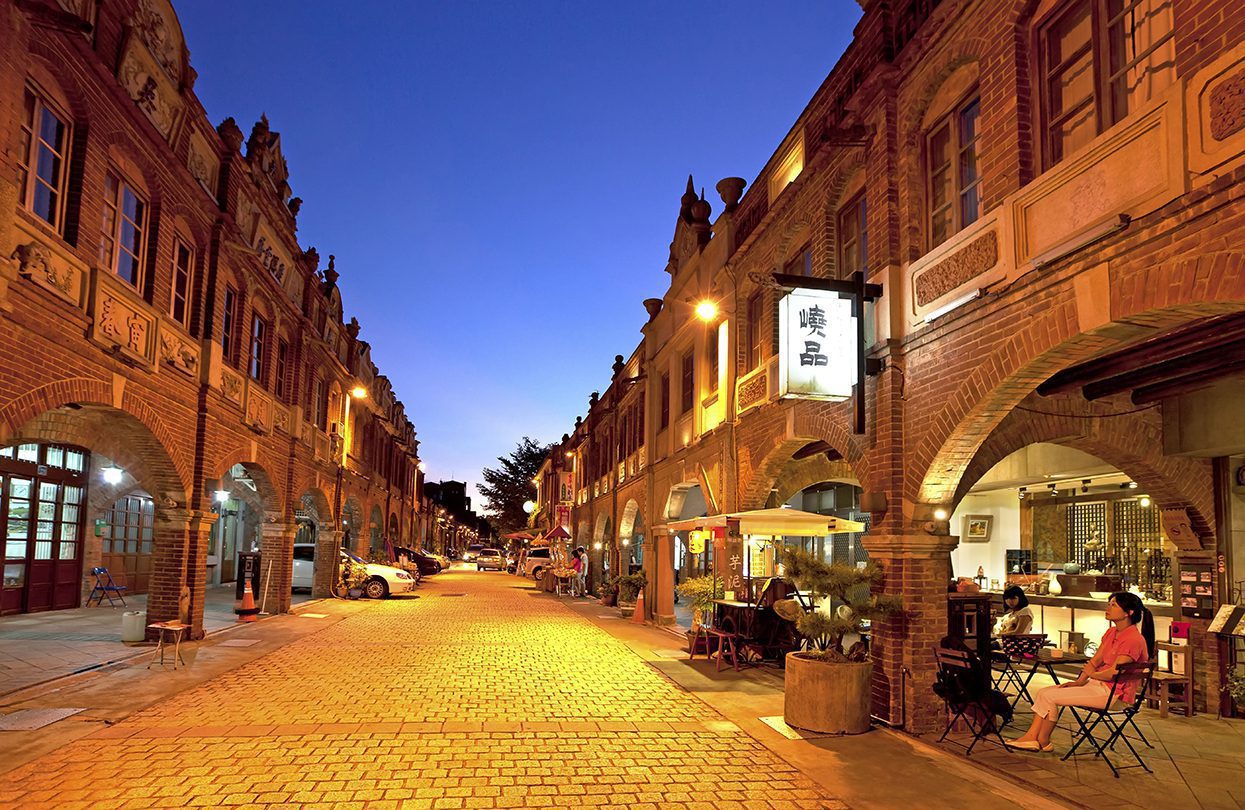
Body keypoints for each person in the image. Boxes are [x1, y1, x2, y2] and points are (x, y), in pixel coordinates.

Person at [1009, 591, 1154, 752]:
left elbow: (1113, 673)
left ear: (1129, 612)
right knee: (1043, 692)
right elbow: (1095, 660)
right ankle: (1034, 739)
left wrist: (1092, 674)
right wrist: (1079, 681)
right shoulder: (1112, 632)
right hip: (1098, 685)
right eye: (1109, 604)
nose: (1108, 608)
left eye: (1114, 605)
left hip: (1115, 695)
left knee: (1050, 696)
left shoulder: (1133, 639)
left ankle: (1042, 740)